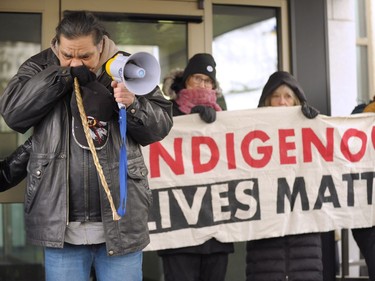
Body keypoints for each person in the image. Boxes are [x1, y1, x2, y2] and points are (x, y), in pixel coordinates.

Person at [0, 10, 173, 281]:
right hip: (62, 226)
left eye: (85, 56)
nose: (75, 62)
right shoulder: (40, 66)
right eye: (67, 54)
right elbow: (13, 113)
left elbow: (161, 126)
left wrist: (133, 104)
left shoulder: (126, 66)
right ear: (57, 44)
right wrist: (62, 76)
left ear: (101, 44)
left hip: (120, 224)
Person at [158, 53, 234, 281]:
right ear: (185, 81)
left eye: (207, 80)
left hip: (216, 231)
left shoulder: (224, 117)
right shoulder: (166, 112)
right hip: (179, 229)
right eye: (197, 78)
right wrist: (185, 120)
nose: (202, 85)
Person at [246, 71, 323, 281]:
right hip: (265, 242)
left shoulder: (312, 129)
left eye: (288, 96)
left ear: (297, 101)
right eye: (276, 96)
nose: (282, 102)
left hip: (304, 243)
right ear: (267, 101)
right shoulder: (248, 134)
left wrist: (317, 128)